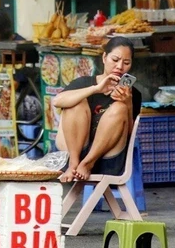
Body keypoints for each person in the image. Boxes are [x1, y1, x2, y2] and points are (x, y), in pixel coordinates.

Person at [53, 36, 142, 182]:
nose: (120, 66)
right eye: (115, 60)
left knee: (119, 108)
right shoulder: (83, 82)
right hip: (72, 152)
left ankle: (88, 163)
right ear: (104, 57)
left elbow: (130, 135)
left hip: (106, 158)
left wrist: (128, 104)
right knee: (75, 102)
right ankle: (74, 162)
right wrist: (96, 89)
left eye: (126, 63)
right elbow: (57, 101)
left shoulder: (132, 94)